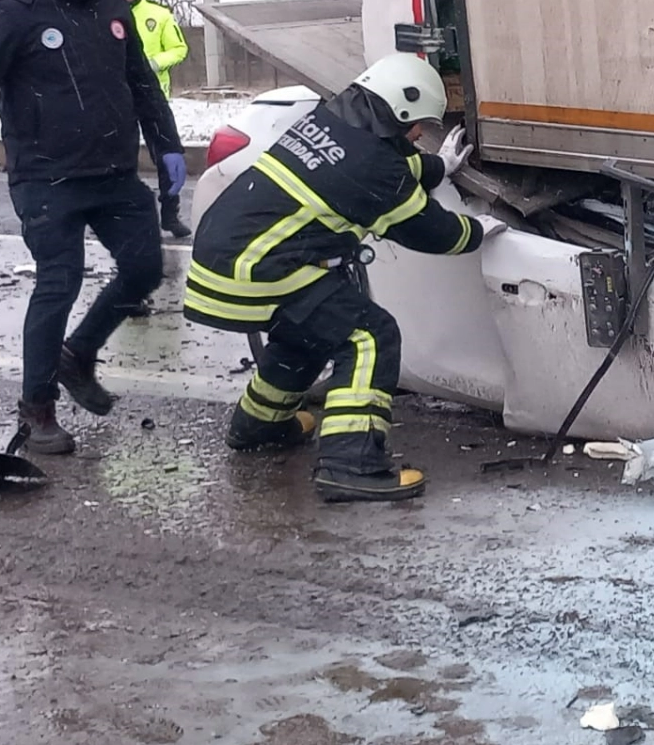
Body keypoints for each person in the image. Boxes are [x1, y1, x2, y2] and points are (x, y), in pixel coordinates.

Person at [0, 0, 186, 455]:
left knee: (144, 268)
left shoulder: (112, 8)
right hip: (46, 177)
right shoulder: (13, 11)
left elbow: (142, 83)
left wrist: (167, 146)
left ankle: (78, 353)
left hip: (113, 173)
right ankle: (37, 410)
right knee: (59, 280)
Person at [184, 52, 496, 502]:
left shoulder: (329, 121)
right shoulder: (372, 166)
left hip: (225, 259)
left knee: (308, 330)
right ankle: (351, 464)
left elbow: (377, 165)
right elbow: (431, 232)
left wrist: (438, 167)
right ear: (398, 111)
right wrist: (479, 232)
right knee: (369, 335)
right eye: (417, 125)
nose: (417, 135)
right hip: (258, 268)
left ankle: (259, 425)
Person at [109, 0, 192, 239]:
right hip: (118, 101)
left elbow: (179, 48)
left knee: (167, 158)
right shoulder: (103, 15)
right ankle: (121, 217)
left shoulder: (160, 14)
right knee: (120, 161)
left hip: (153, 100)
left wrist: (153, 64)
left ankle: (170, 214)